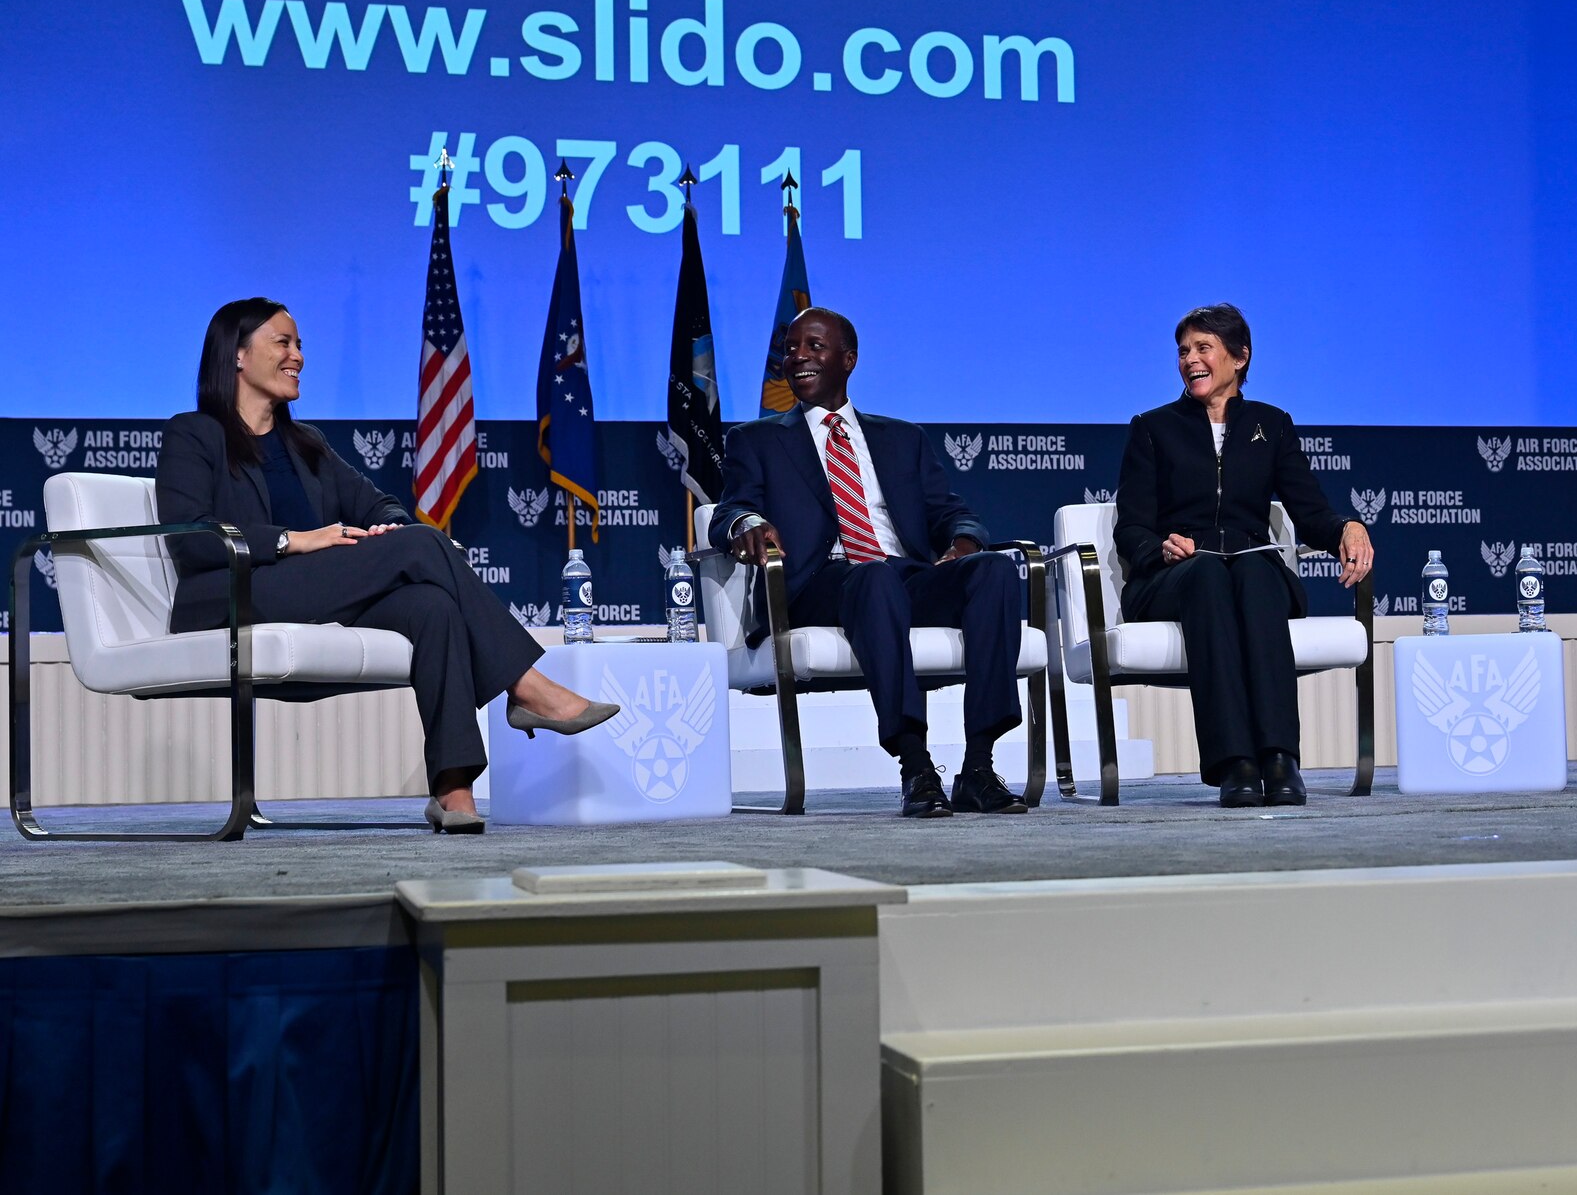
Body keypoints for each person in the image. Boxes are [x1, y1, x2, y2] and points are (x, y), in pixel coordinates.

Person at [157, 297, 618, 834]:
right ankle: (525, 687)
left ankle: (454, 789)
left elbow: (378, 503)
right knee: (421, 546)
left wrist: (388, 528)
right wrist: (293, 540)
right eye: (282, 342)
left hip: (309, 593)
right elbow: (191, 537)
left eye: (300, 344)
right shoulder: (194, 434)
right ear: (236, 355)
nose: (298, 356)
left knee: (432, 605)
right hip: (234, 597)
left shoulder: (306, 445)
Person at [711, 307, 1027, 819]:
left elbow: (952, 513)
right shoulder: (757, 439)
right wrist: (745, 523)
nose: (798, 358)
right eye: (791, 349)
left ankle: (978, 766)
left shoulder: (901, 438)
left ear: (849, 359)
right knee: (874, 576)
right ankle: (916, 765)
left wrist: (965, 542)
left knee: (991, 570)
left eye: (814, 346)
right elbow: (731, 506)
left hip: (902, 577)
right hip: (817, 584)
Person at [1114, 303, 1374, 807]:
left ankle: (1279, 759)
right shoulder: (1152, 428)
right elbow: (1132, 526)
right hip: (1174, 575)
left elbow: (1309, 509)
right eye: (1183, 351)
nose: (1190, 359)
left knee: (1256, 572)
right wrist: (1160, 549)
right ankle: (1234, 762)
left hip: (1251, 563)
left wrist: (1347, 526)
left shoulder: (1271, 425)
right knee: (1208, 573)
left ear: (1239, 357)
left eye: (1203, 348)